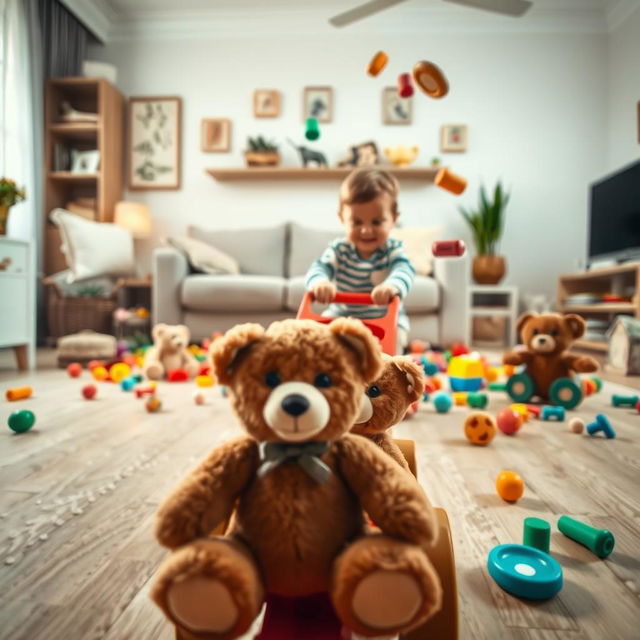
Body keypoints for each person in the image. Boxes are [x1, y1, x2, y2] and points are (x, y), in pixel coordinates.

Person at [305, 167, 415, 353]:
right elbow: (319, 268)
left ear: (394, 218)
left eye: (377, 222)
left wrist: (392, 286)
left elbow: (404, 270)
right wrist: (320, 282)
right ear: (342, 218)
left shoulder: (392, 251)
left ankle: (388, 379)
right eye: (357, 223)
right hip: (341, 317)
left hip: (384, 319)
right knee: (317, 341)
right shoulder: (339, 250)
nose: (366, 230)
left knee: (394, 346)